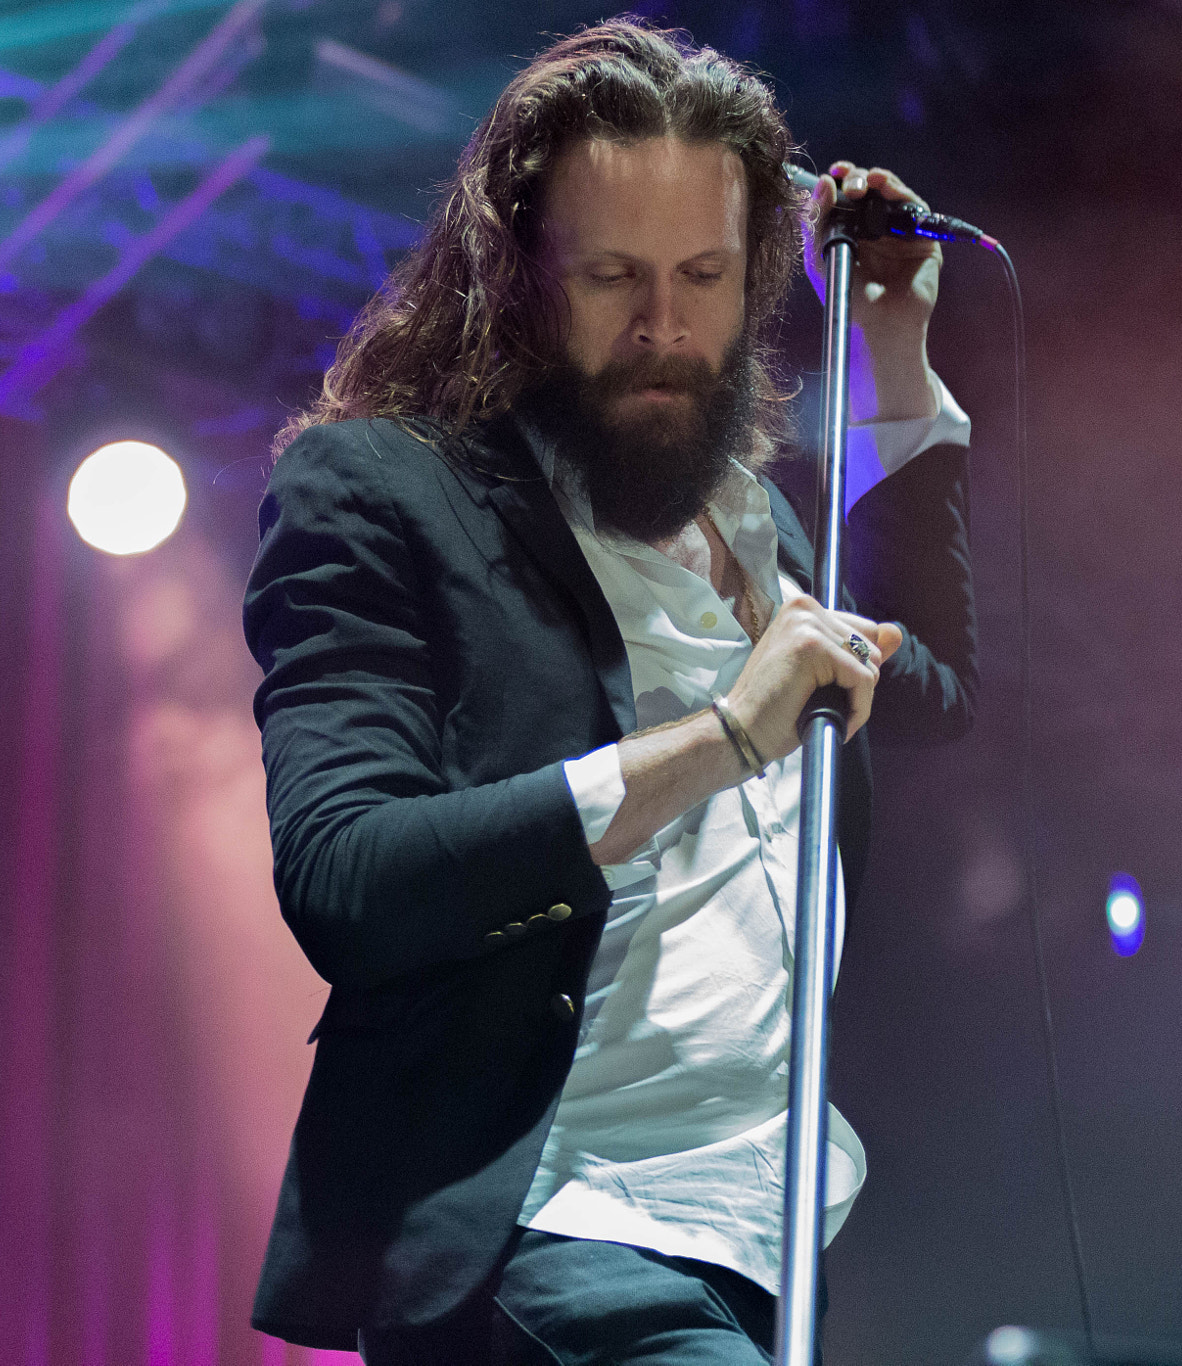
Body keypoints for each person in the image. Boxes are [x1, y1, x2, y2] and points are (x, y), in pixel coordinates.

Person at [242, 17, 977, 1365]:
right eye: (612, 278)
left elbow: (929, 684)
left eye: (704, 273)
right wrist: (719, 738)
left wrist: (893, 363)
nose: (665, 326)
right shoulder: (384, 494)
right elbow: (347, 874)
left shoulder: (760, 524)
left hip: (753, 1240)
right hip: (544, 1221)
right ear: (518, 275)